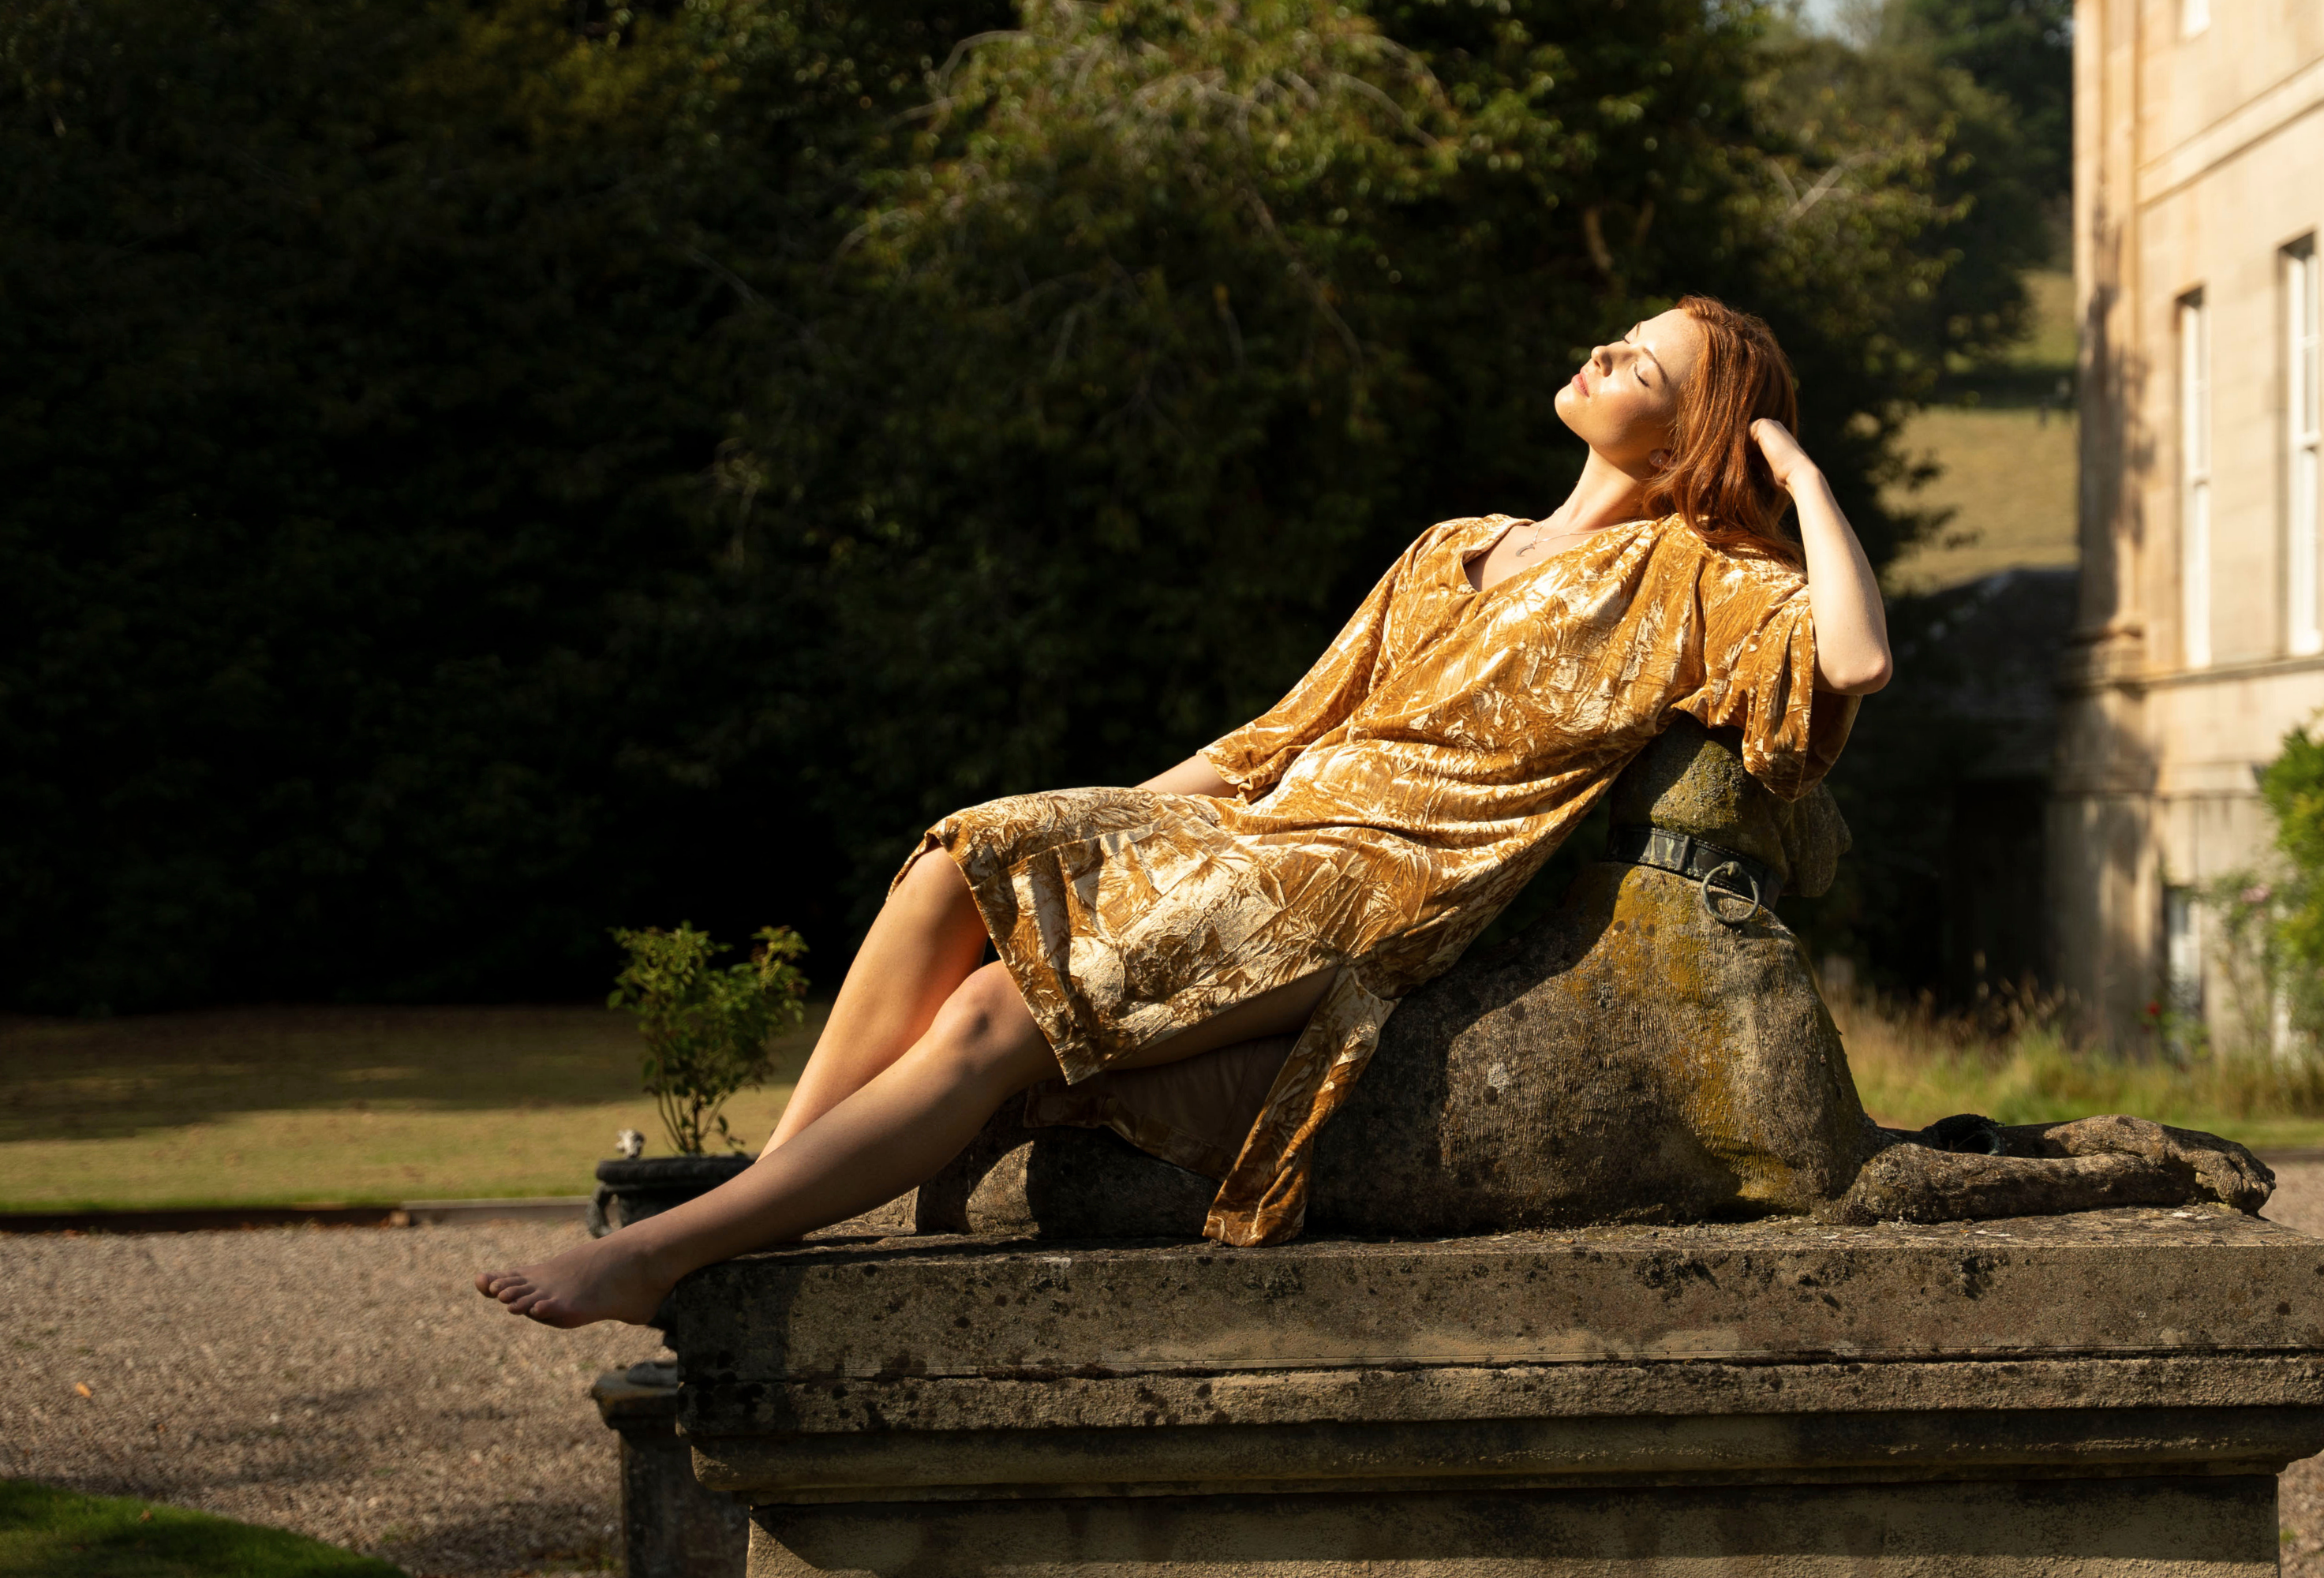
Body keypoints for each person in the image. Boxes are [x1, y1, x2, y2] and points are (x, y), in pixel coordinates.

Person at [477, 295, 1892, 1329]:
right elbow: (1279, 735)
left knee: (991, 1026)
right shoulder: (1454, 547)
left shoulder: (1695, 580)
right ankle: (770, 1204)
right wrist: (1106, 824)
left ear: (1690, 427)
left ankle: (674, 1255)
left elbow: (1856, 659)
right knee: (963, 855)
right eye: (1613, 334)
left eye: (1639, 361)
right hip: (1262, 830)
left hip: (1367, 888)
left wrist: (1803, 478)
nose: (1597, 351)